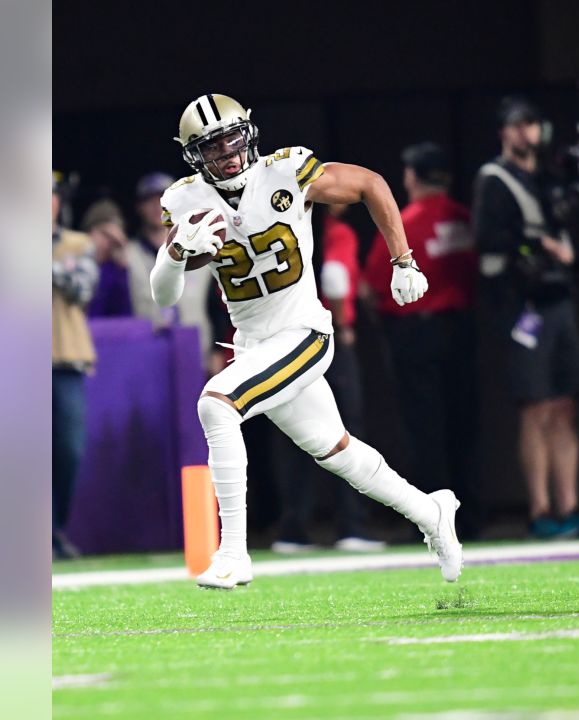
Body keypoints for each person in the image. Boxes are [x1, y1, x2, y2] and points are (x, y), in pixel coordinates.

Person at [150, 93, 461, 588]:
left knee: (216, 404)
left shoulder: (286, 172)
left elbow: (371, 184)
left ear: (248, 134)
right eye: (213, 146)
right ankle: (432, 513)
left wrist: (404, 259)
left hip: (303, 332)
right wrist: (173, 256)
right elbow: (164, 294)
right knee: (336, 451)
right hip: (253, 344)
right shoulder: (185, 201)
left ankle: (233, 552)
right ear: (195, 155)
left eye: (233, 137)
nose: (228, 152)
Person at [473, 97, 579, 539]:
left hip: (560, 301)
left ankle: (569, 507)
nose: (525, 132)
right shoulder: (494, 180)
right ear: (504, 132)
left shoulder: (551, 178)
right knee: (536, 407)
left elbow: (578, 224)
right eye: (517, 125)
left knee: (566, 405)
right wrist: (538, 250)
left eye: (531, 123)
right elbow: (490, 243)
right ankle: (540, 510)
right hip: (522, 306)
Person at [364, 142, 482, 538]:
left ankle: (433, 521)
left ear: (412, 177)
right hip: (462, 330)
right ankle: (471, 516)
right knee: (464, 424)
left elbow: (373, 285)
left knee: (424, 428)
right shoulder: (464, 219)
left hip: (415, 334)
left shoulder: (405, 221)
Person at [270, 203, 386, 554]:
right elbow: (334, 275)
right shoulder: (335, 232)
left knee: (293, 432)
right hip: (325, 338)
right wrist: (342, 322)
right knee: (345, 429)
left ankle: (292, 528)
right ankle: (351, 525)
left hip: (285, 340)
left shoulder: (276, 230)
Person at [127, 172, 221, 373]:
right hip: (146, 357)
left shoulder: (201, 246)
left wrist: (216, 349)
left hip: (196, 354)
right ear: (139, 207)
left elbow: (217, 306)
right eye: (149, 201)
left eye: (162, 200)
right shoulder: (127, 254)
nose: (156, 207)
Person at [52, 177, 98, 559]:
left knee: (68, 449)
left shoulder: (78, 244)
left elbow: (82, 291)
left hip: (66, 359)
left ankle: (55, 529)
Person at [81, 199, 133, 318]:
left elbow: (125, 316)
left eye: (113, 240)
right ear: (89, 232)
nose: (107, 243)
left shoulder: (113, 272)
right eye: (104, 234)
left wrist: (123, 264)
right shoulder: (73, 261)